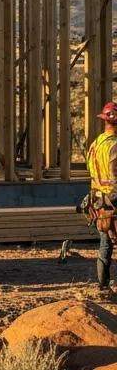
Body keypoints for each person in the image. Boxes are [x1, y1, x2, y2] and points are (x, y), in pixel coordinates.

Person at [86, 101, 117, 293]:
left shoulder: (96, 144)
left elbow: (92, 173)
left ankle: (102, 285)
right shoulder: (115, 146)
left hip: (98, 199)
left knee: (105, 243)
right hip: (114, 198)